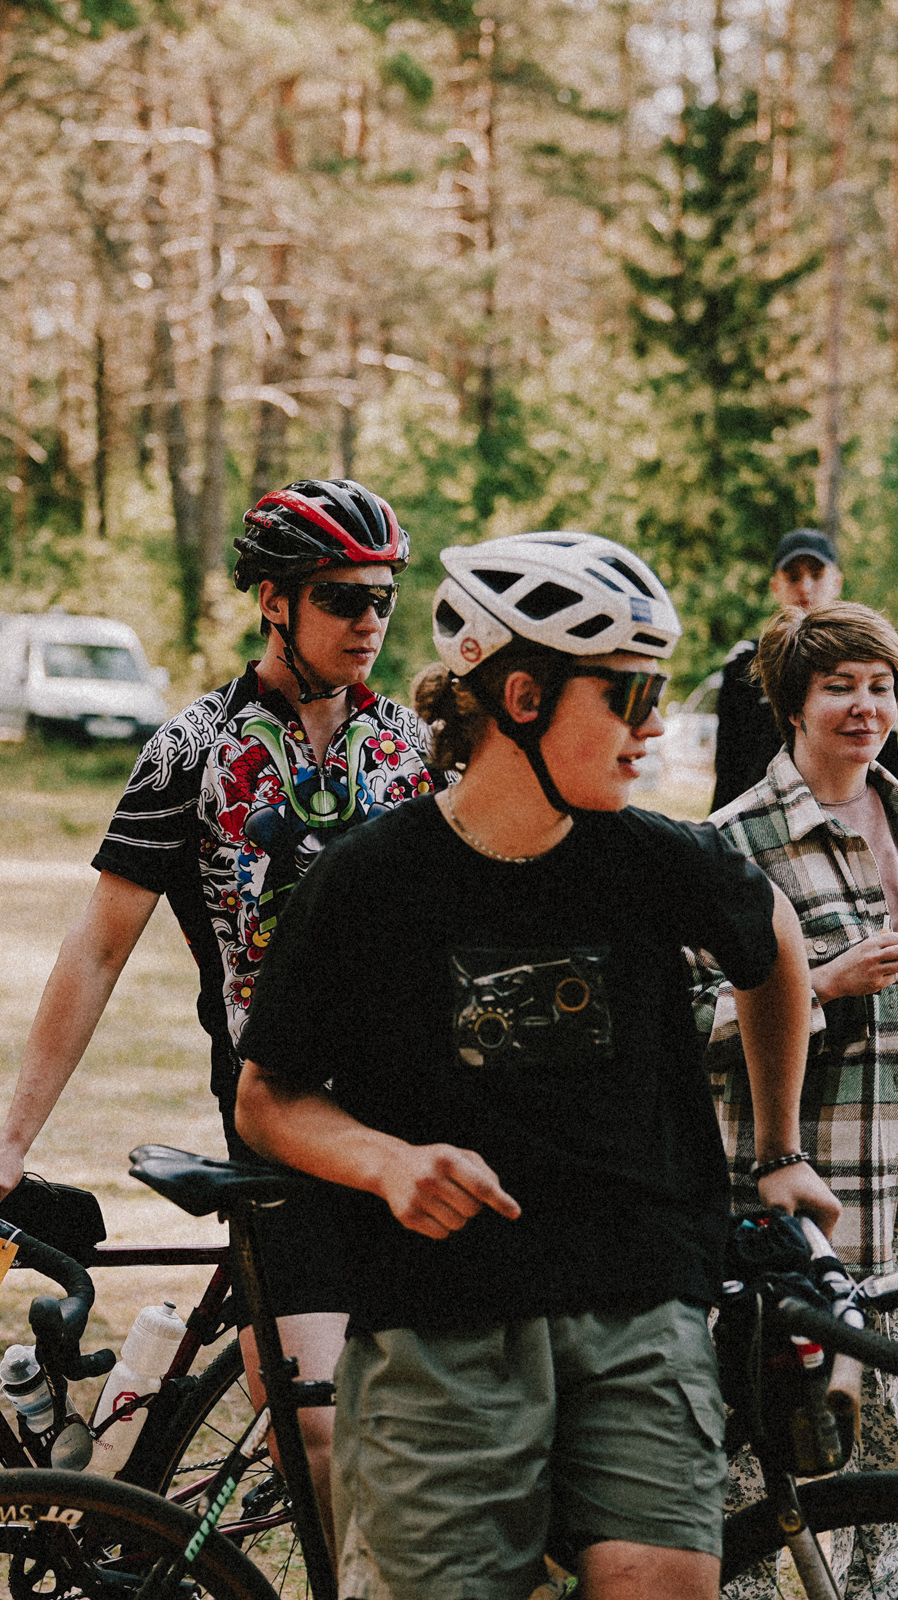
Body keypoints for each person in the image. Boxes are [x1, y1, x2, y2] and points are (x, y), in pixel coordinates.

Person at [231, 530, 830, 1600]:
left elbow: (774, 942)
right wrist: (385, 1164)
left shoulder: (649, 856)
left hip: (641, 1299)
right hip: (440, 1326)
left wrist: (778, 1148)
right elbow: (267, 1100)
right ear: (520, 695)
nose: (651, 729)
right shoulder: (372, 881)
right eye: (629, 696)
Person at [0, 479, 436, 1535]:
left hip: (418, 1108)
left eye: (383, 598)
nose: (369, 620)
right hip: (280, 1114)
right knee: (318, 1426)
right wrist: (11, 1136)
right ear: (274, 599)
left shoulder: (417, 746)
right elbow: (96, 948)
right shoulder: (192, 748)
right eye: (342, 597)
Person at [704, 600, 898, 1598]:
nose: (866, 706)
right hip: (797, 1189)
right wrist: (816, 982)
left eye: (882, 685)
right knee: (770, 1446)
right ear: (792, 703)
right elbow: (683, 1016)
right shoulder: (737, 837)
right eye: (840, 686)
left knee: (895, 1440)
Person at [710, 528, 898, 811]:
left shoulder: (870, 661)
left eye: (817, 574)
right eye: (793, 576)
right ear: (775, 585)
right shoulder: (747, 661)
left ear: (837, 582)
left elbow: (886, 760)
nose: (805, 587)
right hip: (759, 816)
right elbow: (729, 763)